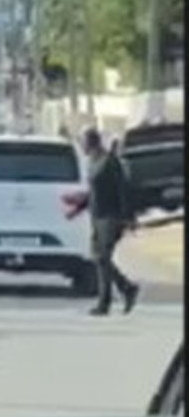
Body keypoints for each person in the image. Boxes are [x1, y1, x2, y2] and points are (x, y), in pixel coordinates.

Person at [66, 127, 140, 316]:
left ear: (92, 142)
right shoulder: (92, 162)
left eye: (83, 141)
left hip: (111, 216)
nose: (81, 146)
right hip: (97, 215)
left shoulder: (110, 162)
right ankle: (119, 293)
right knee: (99, 259)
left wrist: (128, 217)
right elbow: (93, 193)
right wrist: (78, 209)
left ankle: (115, 295)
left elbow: (123, 190)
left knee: (102, 257)